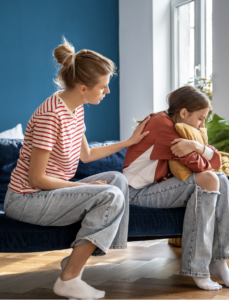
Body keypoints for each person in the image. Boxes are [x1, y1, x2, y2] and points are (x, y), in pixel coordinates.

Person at [3, 38, 149, 299]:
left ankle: (79, 260)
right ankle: (69, 278)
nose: (107, 92)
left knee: (117, 180)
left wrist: (128, 142)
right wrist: (84, 186)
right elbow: (37, 179)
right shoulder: (52, 115)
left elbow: (87, 154)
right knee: (110, 195)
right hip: (27, 199)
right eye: (103, 87)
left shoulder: (76, 107)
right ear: (83, 87)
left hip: (45, 194)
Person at [123, 85, 229, 291]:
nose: (202, 124)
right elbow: (202, 164)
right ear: (184, 113)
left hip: (156, 188)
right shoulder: (163, 126)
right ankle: (198, 268)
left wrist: (197, 146)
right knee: (210, 179)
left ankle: (219, 260)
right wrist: (198, 150)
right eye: (201, 118)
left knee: (220, 179)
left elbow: (215, 161)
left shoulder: (177, 125)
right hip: (135, 194)